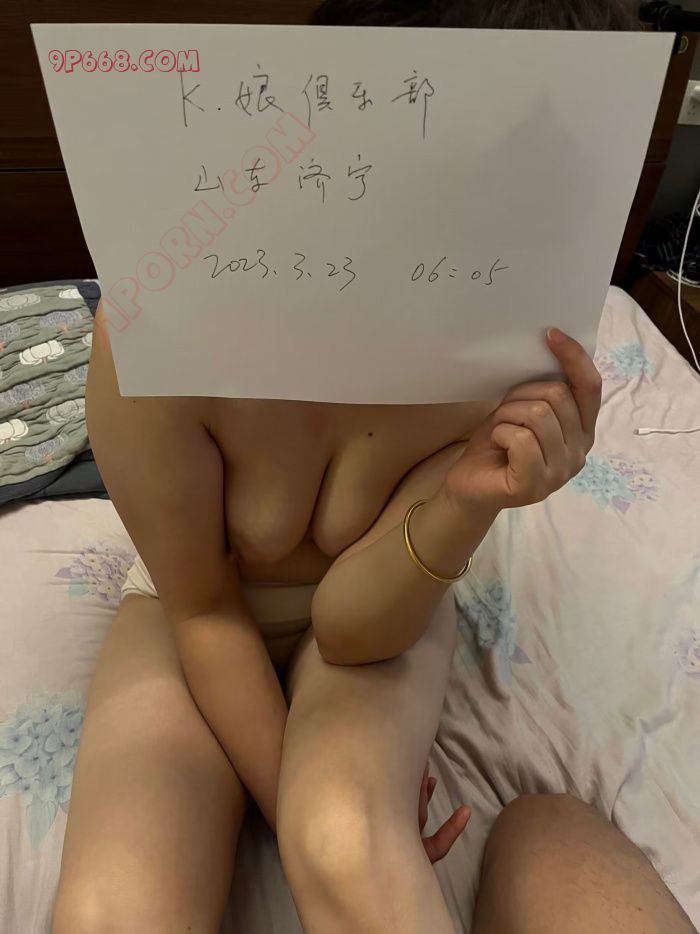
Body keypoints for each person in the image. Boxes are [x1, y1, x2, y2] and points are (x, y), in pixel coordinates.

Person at [51, 3, 697, 933]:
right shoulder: (158, 328)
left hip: (379, 621)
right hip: (189, 608)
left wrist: (470, 498)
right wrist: (282, 796)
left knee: (350, 844)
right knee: (114, 913)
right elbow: (201, 610)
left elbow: (355, 630)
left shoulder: (506, 344)